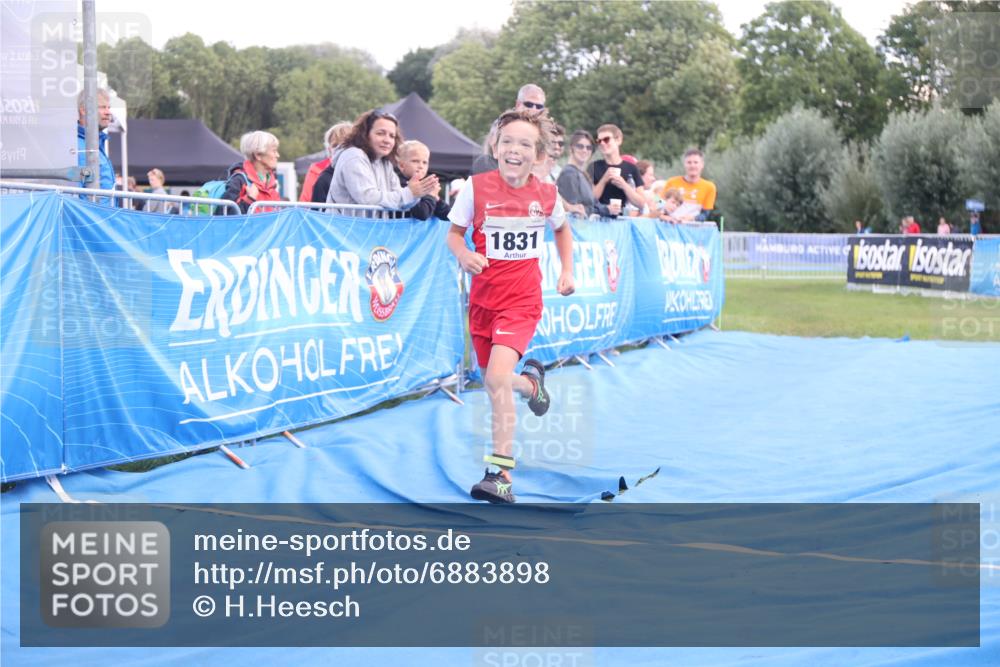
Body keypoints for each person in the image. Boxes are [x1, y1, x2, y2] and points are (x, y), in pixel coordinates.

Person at [447, 108, 575, 504]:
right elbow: (454, 235)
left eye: (524, 143)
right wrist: (464, 254)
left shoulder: (546, 194)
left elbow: (563, 229)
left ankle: (500, 473)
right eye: (508, 142)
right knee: (494, 381)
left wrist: (567, 270)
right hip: (483, 303)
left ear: (537, 155)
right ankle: (532, 385)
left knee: (496, 379)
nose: (515, 149)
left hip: (521, 304)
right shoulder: (475, 188)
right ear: (495, 147)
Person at [326, 109, 438, 208]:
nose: (387, 140)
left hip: (367, 230)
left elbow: (400, 202)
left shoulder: (385, 163)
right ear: (365, 134)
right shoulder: (353, 156)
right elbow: (367, 198)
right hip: (344, 230)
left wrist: (416, 193)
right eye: (380, 133)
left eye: (392, 136)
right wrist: (410, 193)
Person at [472, 84, 547, 175]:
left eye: (539, 106)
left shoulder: (542, 132)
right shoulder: (504, 123)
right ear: (518, 104)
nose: (534, 109)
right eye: (529, 104)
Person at [556, 130, 615, 218]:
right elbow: (575, 211)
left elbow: (593, 204)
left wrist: (609, 209)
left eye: (589, 147)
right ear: (571, 148)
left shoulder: (582, 174)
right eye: (580, 146)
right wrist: (606, 210)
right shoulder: (568, 174)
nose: (584, 150)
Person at [219, 130, 282, 214]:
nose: (277, 155)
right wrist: (249, 199)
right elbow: (223, 216)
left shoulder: (273, 184)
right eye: (274, 151)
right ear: (258, 155)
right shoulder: (239, 180)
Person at [589, 124, 645, 212]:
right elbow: (589, 199)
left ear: (618, 140)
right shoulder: (594, 167)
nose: (602, 143)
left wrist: (624, 185)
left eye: (606, 139)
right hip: (598, 220)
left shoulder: (632, 168)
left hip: (623, 221)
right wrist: (604, 180)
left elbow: (641, 204)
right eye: (599, 141)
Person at [76, 87, 115, 200]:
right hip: (92, 217)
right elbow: (74, 194)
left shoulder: (96, 144)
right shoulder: (77, 148)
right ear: (83, 110)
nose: (108, 112)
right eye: (102, 107)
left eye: (108, 107)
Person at [397, 140, 450, 221]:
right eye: (415, 161)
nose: (421, 166)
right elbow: (422, 213)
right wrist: (431, 196)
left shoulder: (424, 184)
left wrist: (437, 198)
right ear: (401, 165)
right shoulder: (398, 183)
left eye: (425, 162)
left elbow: (448, 215)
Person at [658, 148, 717, 222]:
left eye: (696, 162)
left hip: (692, 228)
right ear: (684, 164)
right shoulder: (672, 182)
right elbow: (657, 200)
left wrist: (693, 218)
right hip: (670, 226)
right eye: (689, 162)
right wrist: (664, 205)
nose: (692, 165)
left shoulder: (709, 187)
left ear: (702, 165)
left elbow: (705, 214)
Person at [302, 122, 351, 203]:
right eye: (335, 145)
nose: (340, 150)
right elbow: (306, 201)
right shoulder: (318, 172)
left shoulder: (367, 170)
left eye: (345, 145)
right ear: (329, 149)